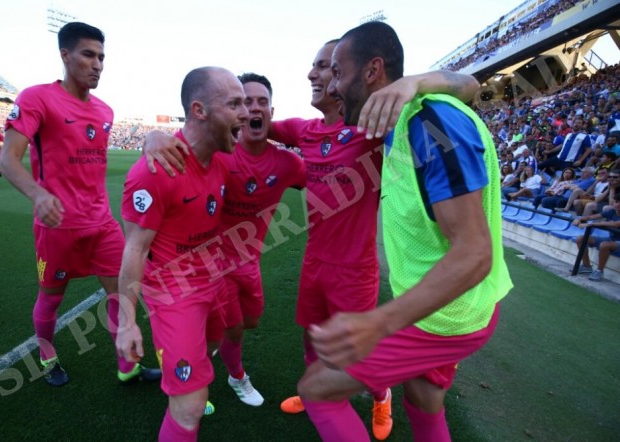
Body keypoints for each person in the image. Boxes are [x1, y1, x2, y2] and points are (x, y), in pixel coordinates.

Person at [143, 43, 480, 441]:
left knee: (360, 351)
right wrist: (156, 134)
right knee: (312, 338)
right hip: (312, 263)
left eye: (326, 67)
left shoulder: (372, 128)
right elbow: (240, 126)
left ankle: (380, 397)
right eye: (317, 66)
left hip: (355, 267)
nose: (314, 74)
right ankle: (309, 391)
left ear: (346, 79)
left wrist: (415, 84)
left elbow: (470, 88)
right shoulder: (302, 131)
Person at [296, 21, 513, 442]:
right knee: (422, 396)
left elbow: (473, 254)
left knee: (316, 390)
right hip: (447, 305)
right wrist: (416, 82)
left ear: (373, 70)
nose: (333, 86)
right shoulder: (406, 115)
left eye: (339, 73)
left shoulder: (432, 124)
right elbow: (469, 84)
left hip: (446, 316)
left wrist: (379, 323)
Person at [0, 22, 160, 387]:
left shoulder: (105, 111)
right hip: (57, 228)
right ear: (65, 55)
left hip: (101, 224)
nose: (98, 64)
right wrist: (39, 195)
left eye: (102, 57)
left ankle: (128, 366)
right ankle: (47, 354)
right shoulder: (36, 98)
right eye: (88, 55)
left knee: (122, 294)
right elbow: (8, 159)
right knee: (51, 300)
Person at [116, 66, 248, 442]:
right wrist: (127, 323)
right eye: (234, 103)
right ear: (199, 110)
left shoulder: (223, 154)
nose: (246, 113)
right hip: (175, 296)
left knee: (216, 344)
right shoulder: (155, 171)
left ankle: (183, 367)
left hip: (215, 281)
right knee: (190, 409)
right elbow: (135, 249)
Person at [214, 73, 306, 407]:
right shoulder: (218, 153)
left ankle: (217, 335)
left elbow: (326, 179)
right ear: (236, 110)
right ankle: (236, 376)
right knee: (235, 327)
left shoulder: (288, 163)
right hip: (213, 263)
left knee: (250, 320)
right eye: (245, 101)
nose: (255, 107)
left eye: (261, 101)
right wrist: (153, 137)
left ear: (271, 110)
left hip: (249, 261)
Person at [573, 193, 620, 281]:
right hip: (612, 239)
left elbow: (615, 224)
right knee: (581, 239)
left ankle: (599, 271)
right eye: (617, 201)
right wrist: (579, 219)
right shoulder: (612, 211)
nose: (618, 204)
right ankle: (586, 266)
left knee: (604, 245)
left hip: (617, 242)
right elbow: (592, 216)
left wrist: (591, 224)